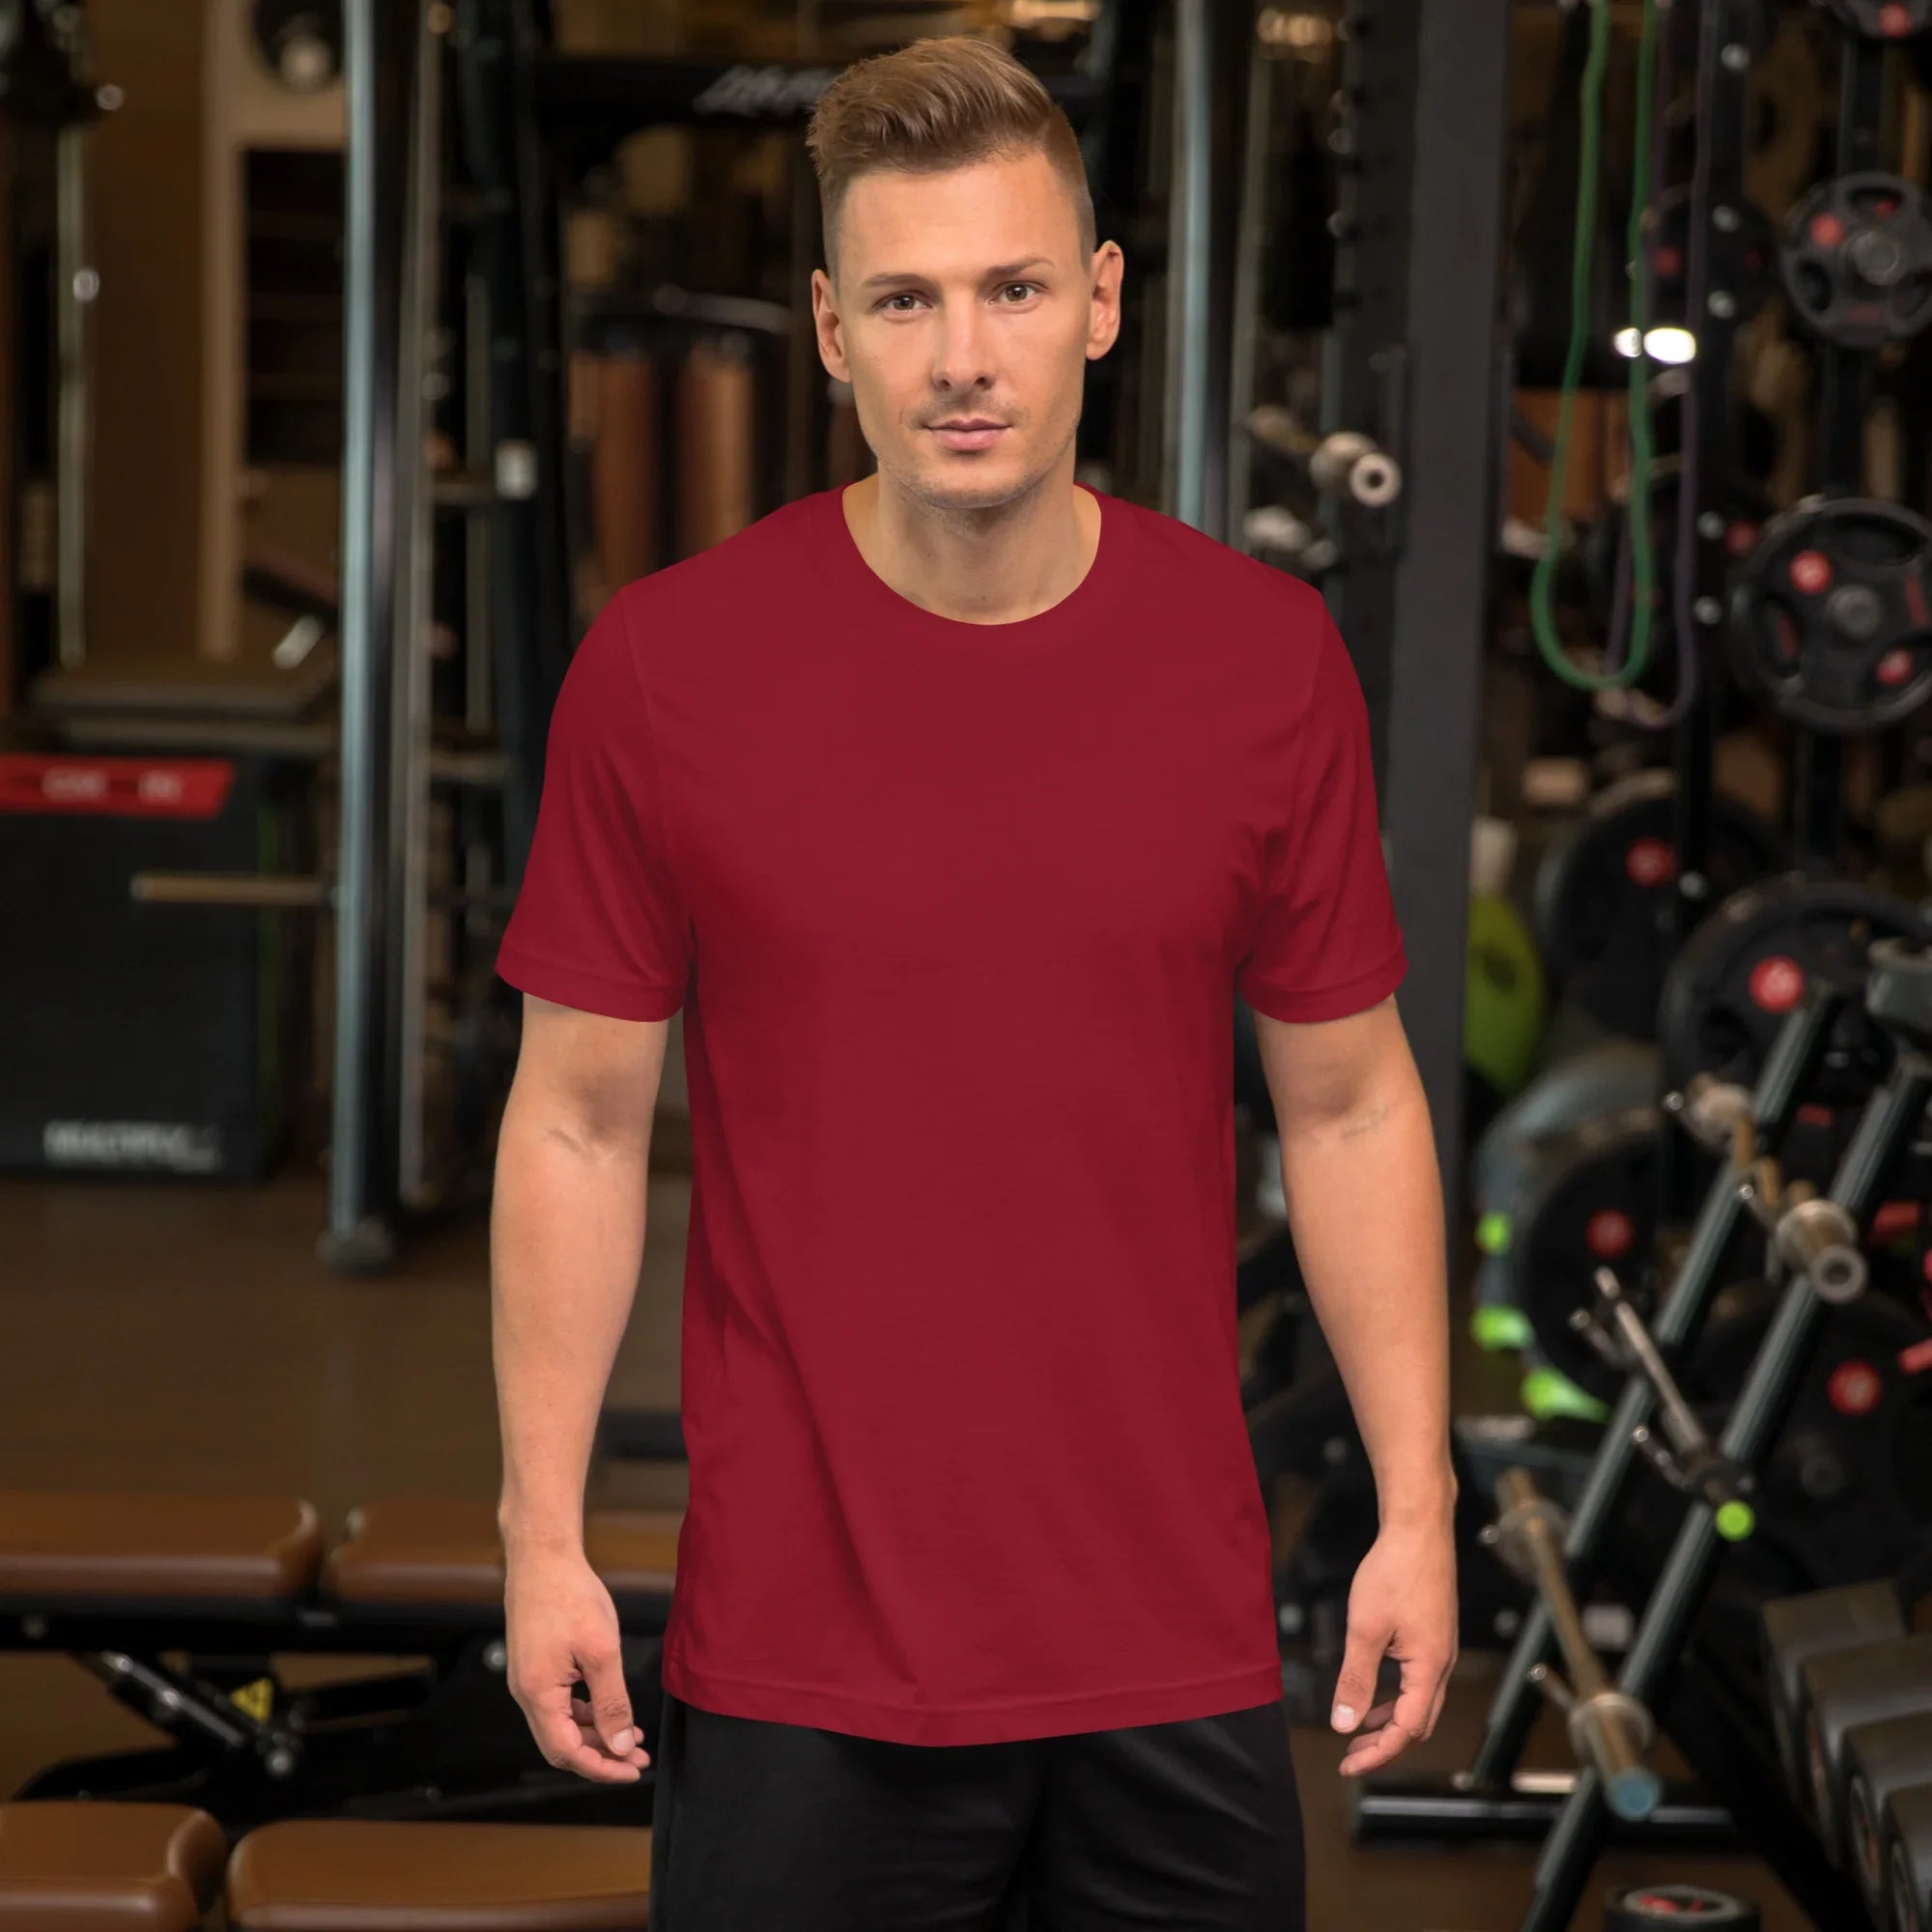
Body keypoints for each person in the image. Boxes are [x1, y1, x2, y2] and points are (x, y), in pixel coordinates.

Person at [491, 32, 1455, 1931]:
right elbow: (578, 1120)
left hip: (1166, 1645)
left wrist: (1414, 1510)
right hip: (802, 1654)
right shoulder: (668, 670)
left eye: (1013, 289)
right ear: (831, 329)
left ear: (1097, 305)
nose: (962, 358)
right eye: (909, 300)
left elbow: (1349, 1100)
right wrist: (541, 1535)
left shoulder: (1261, 664)